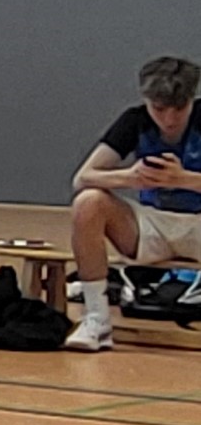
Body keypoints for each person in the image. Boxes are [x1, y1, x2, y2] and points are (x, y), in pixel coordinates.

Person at [63, 54, 201, 352]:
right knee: (88, 202)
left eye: (179, 109)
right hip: (152, 225)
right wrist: (129, 177)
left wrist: (185, 180)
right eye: (159, 109)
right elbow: (83, 178)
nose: (169, 120)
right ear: (146, 101)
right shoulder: (134, 121)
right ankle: (97, 319)